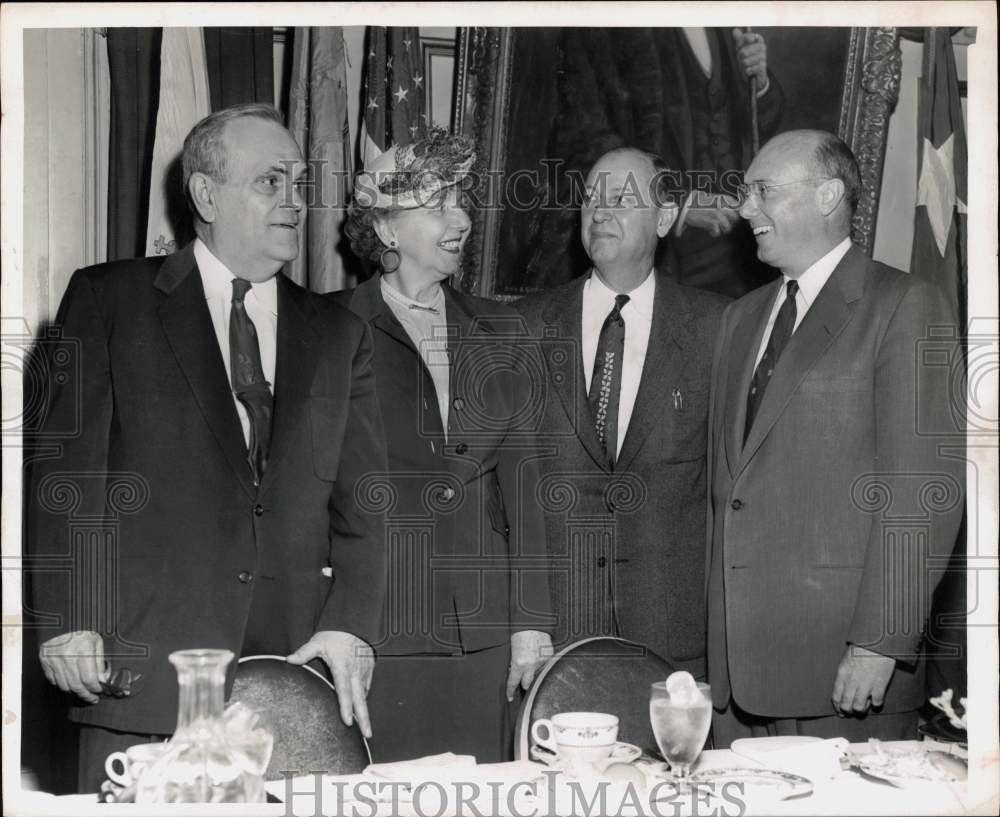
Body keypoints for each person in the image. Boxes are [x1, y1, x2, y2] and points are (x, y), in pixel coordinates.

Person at [26, 103, 388, 791]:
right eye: (270, 182)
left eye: (299, 183)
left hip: (288, 689)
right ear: (205, 194)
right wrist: (72, 619)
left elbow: (366, 501)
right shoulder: (109, 302)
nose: (293, 201)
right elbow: (67, 477)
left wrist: (350, 625)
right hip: (141, 682)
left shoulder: (338, 334)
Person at [706, 130, 965, 745]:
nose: (745, 209)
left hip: (842, 675)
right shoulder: (739, 319)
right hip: (736, 676)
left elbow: (923, 490)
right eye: (745, 193)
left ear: (828, 196)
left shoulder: (904, 305)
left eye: (763, 190)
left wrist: (880, 641)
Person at [338, 131, 554, 762]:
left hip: (485, 634)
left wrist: (532, 621)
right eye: (437, 207)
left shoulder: (502, 329)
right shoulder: (329, 330)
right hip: (378, 629)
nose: (460, 220)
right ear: (386, 230)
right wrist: (338, 625)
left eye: (460, 203)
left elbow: (527, 484)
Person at [516, 147, 728, 676]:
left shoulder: (718, 329)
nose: (600, 211)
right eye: (590, 199)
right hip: (554, 636)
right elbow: (504, 496)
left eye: (621, 199)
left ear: (664, 217)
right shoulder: (523, 327)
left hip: (672, 640)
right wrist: (525, 617)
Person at [514, 27, 783, 297]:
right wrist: (681, 203)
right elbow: (583, 138)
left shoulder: (724, 24)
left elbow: (743, 130)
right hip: (661, 254)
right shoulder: (604, 24)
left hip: (737, 247)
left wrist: (758, 85)